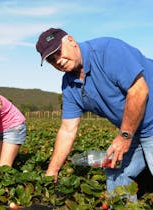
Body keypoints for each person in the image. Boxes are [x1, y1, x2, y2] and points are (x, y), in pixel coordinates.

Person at [35, 28, 153, 198]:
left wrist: (125, 136)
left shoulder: (107, 51)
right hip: (134, 129)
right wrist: (52, 171)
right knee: (115, 173)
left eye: (58, 52)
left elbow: (139, 91)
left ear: (71, 40)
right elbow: (68, 130)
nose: (58, 61)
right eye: (52, 60)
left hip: (146, 124)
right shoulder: (69, 84)